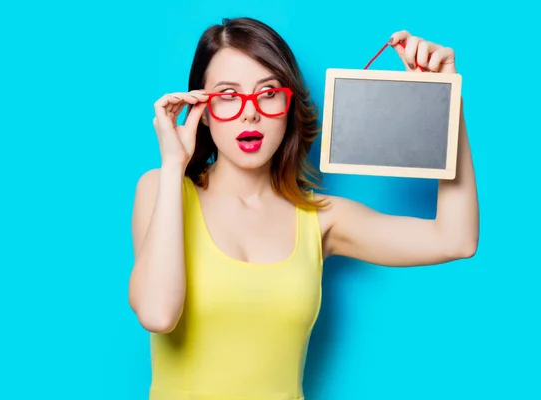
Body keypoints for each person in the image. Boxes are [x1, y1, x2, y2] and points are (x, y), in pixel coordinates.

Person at [129, 17, 479, 400]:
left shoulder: (320, 217)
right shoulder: (162, 188)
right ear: (204, 110)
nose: (250, 112)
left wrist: (447, 101)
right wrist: (173, 165)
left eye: (268, 92)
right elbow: (157, 315)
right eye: (228, 94)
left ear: (289, 103)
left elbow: (455, 239)